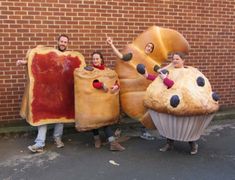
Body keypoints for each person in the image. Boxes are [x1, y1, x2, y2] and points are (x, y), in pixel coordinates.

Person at [16, 34, 70, 153]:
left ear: (67, 44)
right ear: (57, 41)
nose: (63, 43)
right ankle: (40, 143)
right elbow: (37, 61)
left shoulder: (69, 57)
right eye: (61, 41)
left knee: (60, 117)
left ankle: (57, 138)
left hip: (61, 92)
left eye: (65, 42)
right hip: (47, 91)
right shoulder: (49, 53)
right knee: (43, 116)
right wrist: (24, 62)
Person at [140, 52, 198, 155]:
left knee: (185, 125)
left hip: (183, 101)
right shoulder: (170, 71)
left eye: (177, 59)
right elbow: (159, 80)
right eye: (173, 59)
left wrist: (165, 79)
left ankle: (193, 144)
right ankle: (169, 143)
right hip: (169, 100)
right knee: (170, 123)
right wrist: (146, 75)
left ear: (183, 60)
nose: (174, 60)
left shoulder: (186, 72)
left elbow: (176, 86)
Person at [106, 37, 156, 140]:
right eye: (148, 46)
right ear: (145, 47)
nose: (149, 48)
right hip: (129, 87)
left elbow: (159, 70)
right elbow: (121, 56)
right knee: (122, 109)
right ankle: (117, 130)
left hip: (141, 88)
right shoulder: (134, 55)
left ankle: (143, 131)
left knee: (144, 109)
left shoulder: (151, 62)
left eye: (151, 48)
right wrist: (111, 44)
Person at [90, 51, 125, 151]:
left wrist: (116, 86)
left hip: (105, 101)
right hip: (94, 100)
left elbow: (116, 81)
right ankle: (97, 139)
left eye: (97, 58)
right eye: (93, 59)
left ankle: (112, 143)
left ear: (101, 59)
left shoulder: (107, 71)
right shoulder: (90, 71)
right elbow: (90, 83)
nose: (95, 60)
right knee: (94, 121)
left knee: (105, 121)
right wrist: (101, 85)